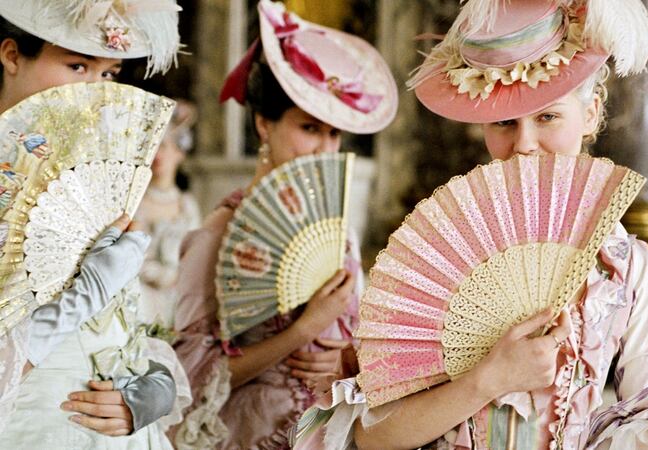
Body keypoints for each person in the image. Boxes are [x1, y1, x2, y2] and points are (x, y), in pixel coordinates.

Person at [292, 1, 648, 449]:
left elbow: (647, 421)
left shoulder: (631, 271)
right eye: (504, 122)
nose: (523, 145)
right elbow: (372, 438)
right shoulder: (436, 251)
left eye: (547, 116)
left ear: (591, 113)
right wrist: (488, 380)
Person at [168, 1, 398, 448]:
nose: (325, 150)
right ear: (263, 124)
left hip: (335, 429)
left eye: (334, 134)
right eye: (310, 128)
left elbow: (364, 346)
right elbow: (188, 380)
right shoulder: (217, 235)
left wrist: (346, 361)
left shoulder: (340, 236)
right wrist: (301, 332)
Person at [0, 0, 190, 447]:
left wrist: (149, 392)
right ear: (11, 55)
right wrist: (80, 299)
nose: (96, 93)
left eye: (108, 75)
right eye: (77, 66)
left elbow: (127, 331)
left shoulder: (104, 188)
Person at [136, 100, 202, 340]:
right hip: (144, 296)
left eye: (164, 146)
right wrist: (165, 277)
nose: (158, 155)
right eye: (153, 147)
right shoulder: (137, 204)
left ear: (179, 153)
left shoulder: (186, 204)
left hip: (180, 296)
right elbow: (134, 259)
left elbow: (195, 254)